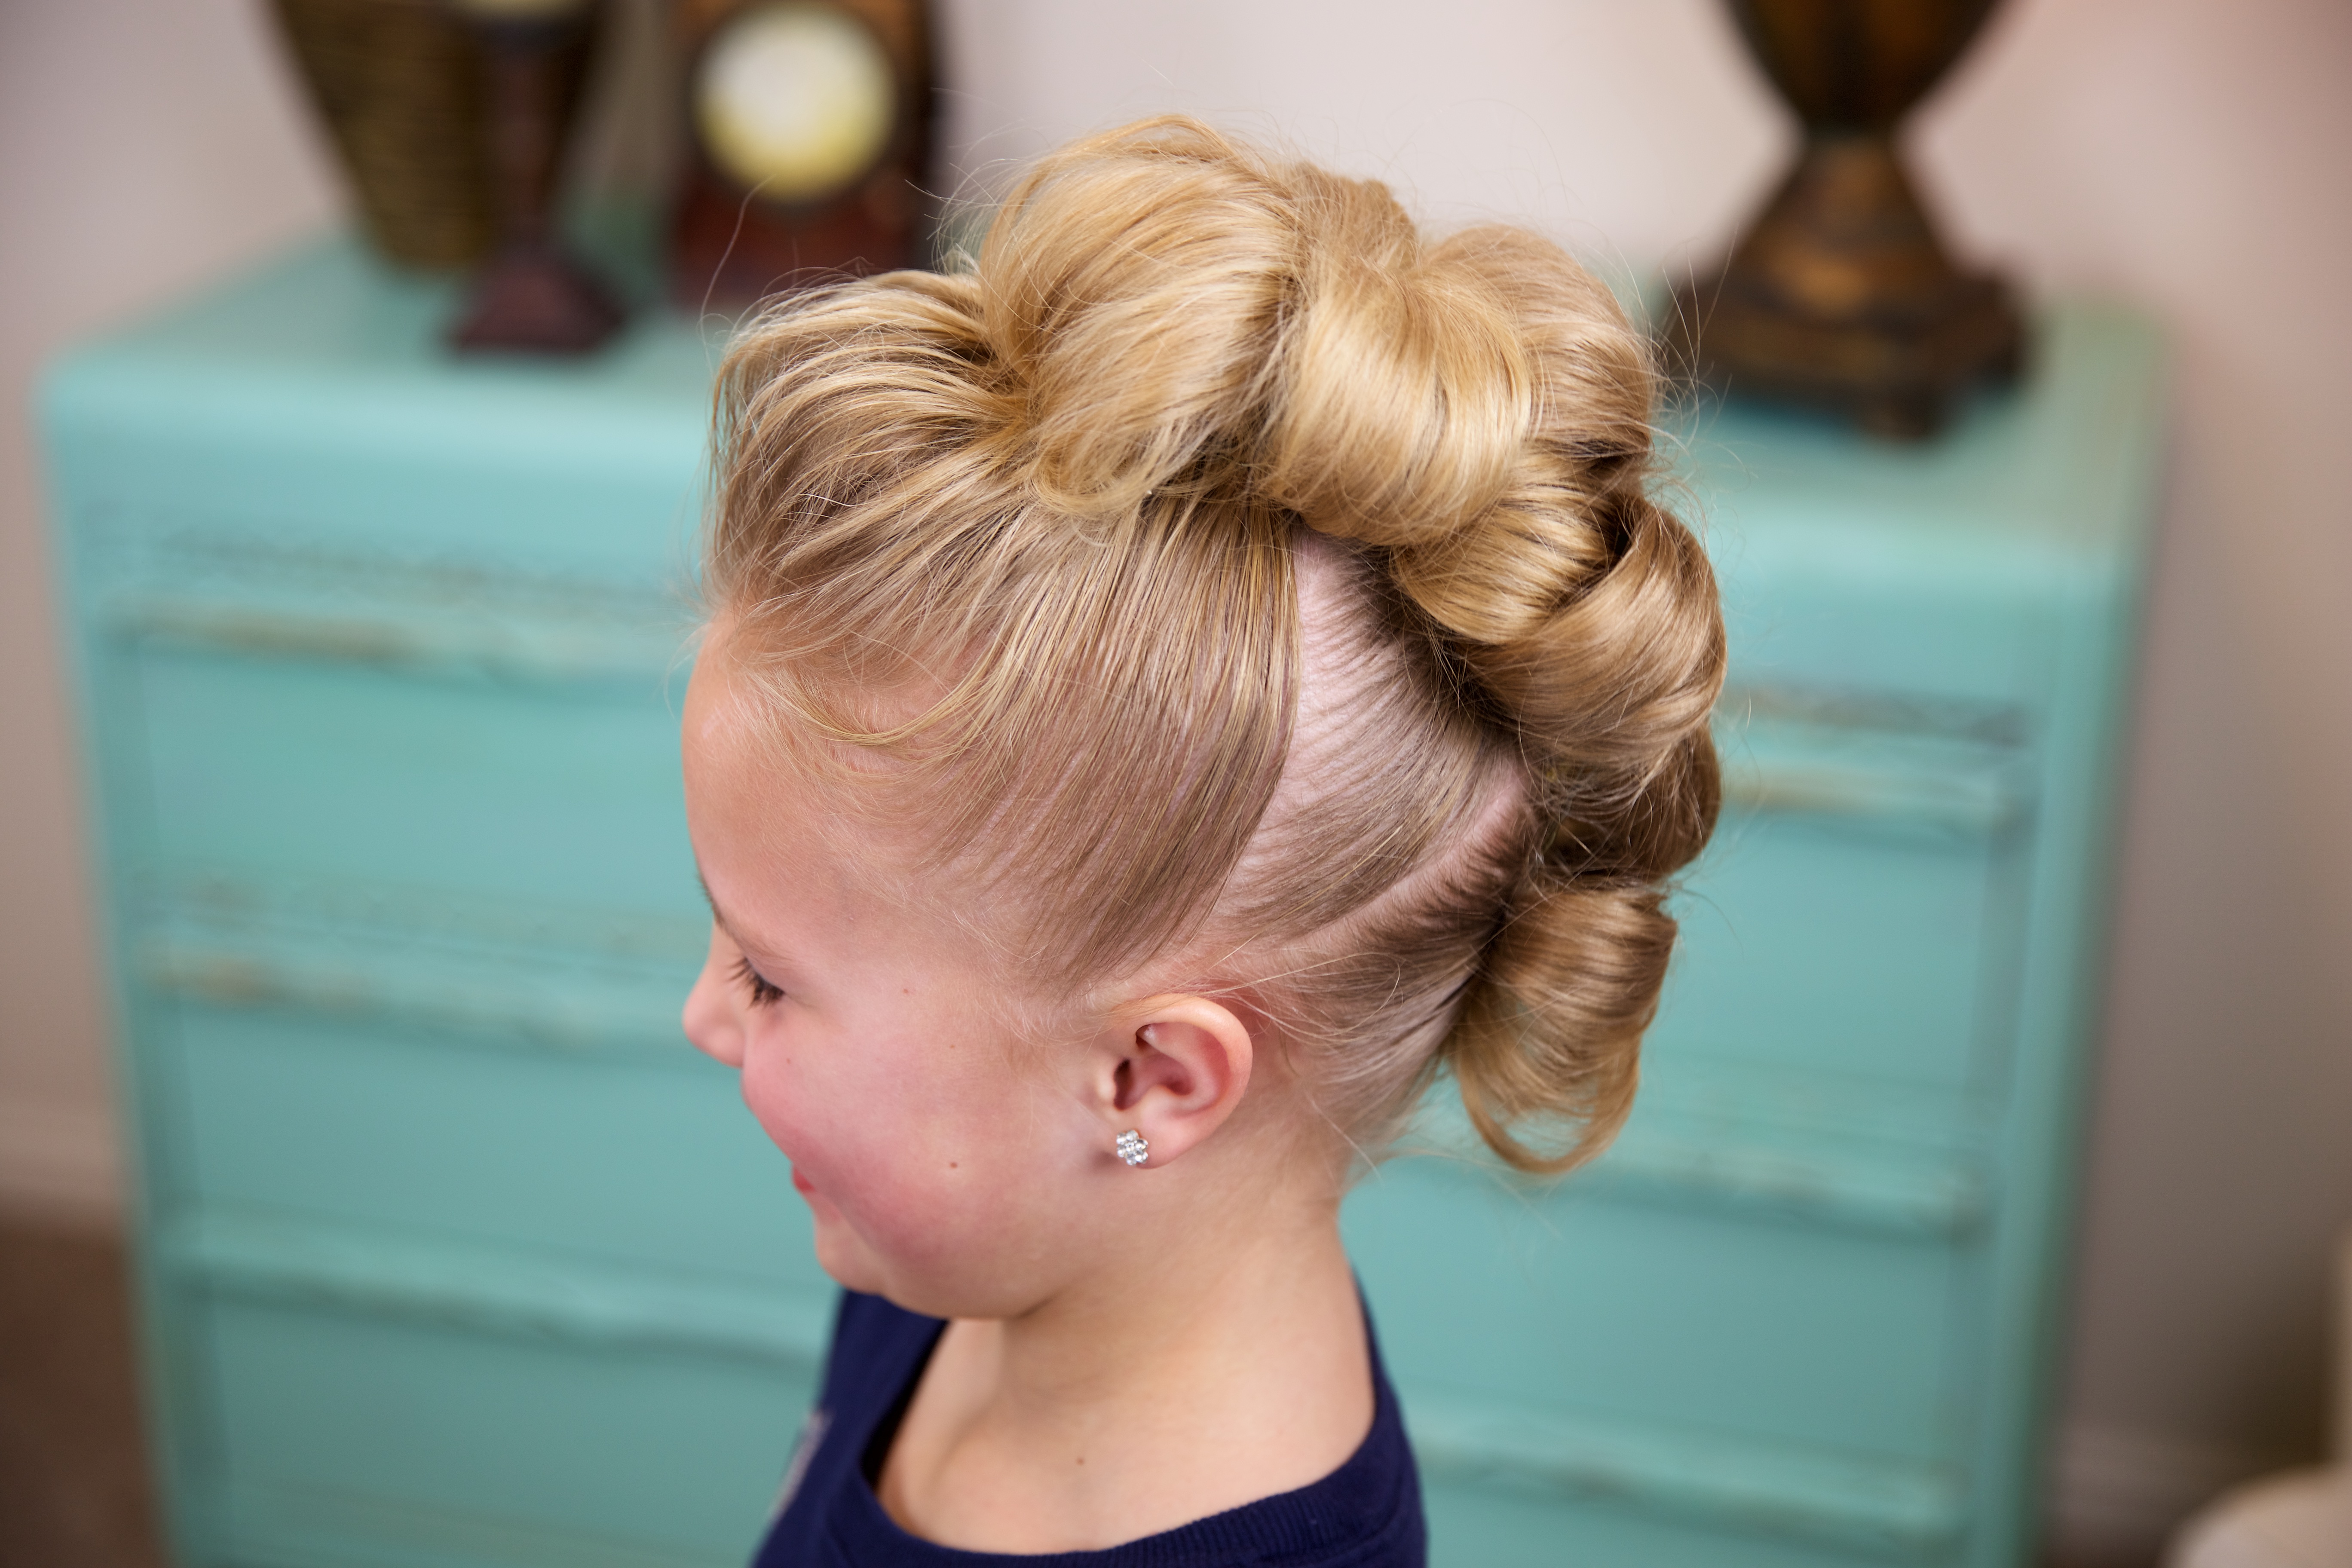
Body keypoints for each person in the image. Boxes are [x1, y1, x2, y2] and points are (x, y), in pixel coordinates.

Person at [678, 115, 1724, 1566]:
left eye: (772, 978)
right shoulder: (967, 1229)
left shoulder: (977, 1204)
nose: (703, 1012)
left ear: (1148, 1078)